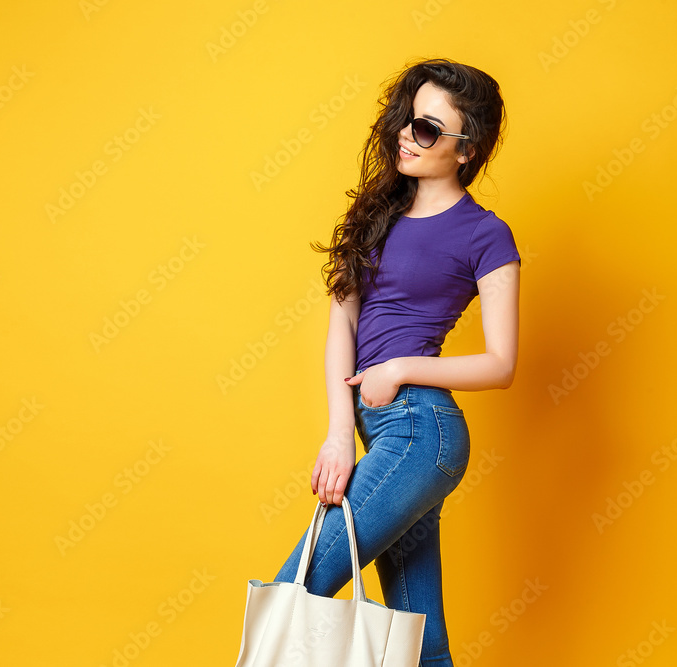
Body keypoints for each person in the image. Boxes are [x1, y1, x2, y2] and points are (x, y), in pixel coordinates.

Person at [273, 57, 521, 666]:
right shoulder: (377, 216)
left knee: (293, 595)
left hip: (420, 431)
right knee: (420, 640)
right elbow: (343, 323)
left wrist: (402, 368)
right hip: (376, 430)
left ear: (468, 148)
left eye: (431, 130)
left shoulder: (486, 235)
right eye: (409, 123)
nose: (410, 137)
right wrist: (338, 434)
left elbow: (502, 363)